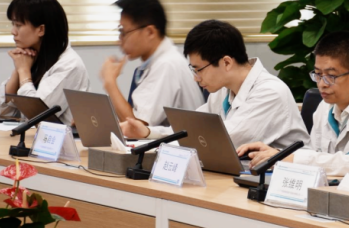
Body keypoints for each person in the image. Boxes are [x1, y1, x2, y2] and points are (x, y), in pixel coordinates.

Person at [239, 31, 349, 178]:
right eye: (318, 74)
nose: (322, 84)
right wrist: (278, 154)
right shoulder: (325, 106)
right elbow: (316, 156)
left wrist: (293, 159)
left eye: (331, 76)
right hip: (332, 193)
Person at [121, 20, 308, 148]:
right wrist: (148, 132)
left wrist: (155, 139)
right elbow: (192, 128)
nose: (196, 78)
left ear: (226, 62)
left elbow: (222, 140)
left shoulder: (270, 92)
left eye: (199, 69)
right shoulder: (223, 90)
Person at [100, 0, 202, 129]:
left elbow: (137, 127)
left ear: (150, 32)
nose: (119, 40)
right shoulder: (155, 63)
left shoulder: (167, 65)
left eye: (124, 32)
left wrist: (110, 83)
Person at [0, 0, 90, 126]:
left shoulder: (69, 65)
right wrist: (18, 70)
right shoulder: (32, 57)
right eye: (13, 24)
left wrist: (23, 71)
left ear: (41, 30)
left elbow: (37, 116)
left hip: (60, 138)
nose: (13, 31)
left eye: (18, 25)